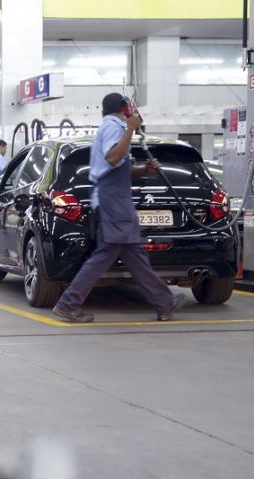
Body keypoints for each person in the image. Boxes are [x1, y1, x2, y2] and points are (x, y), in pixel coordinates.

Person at [52, 93, 180, 324]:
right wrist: (131, 128)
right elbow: (112, 157)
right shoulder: (114, 126)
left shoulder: (113, 127)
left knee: (134, 256)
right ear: (124, 108)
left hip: (116, 198)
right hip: (113, 200)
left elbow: (118, 165)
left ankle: (164, 303)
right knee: (105, 256)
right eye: (131, 107)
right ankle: (68, 303)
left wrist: (144, 169)